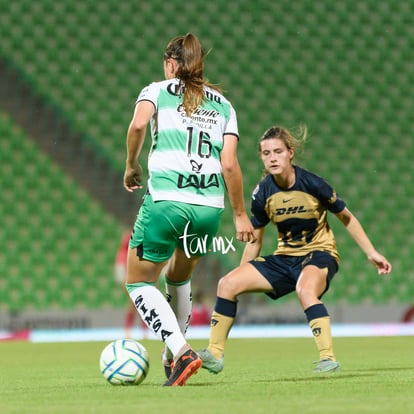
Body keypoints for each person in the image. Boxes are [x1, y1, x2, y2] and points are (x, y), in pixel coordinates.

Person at [198, 125, 392, 374]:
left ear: (290, 153)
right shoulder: (262, 193)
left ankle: (328, 358)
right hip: (285, 258)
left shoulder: (313, 184)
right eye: (266, 153)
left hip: (319, 254)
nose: (272, 158)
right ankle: (214, 354)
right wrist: (243, 274)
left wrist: (371, 252)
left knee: (305, 289)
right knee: (227, 284)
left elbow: (347, 217)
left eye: (278, 151)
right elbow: (255, 240)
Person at [123, 33, 255, 386]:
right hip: (209, 208)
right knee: (179, 276)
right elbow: (229, 163)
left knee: (138, 281)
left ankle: (180, 351)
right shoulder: (224, 106)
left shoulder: (157, 90)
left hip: (167, 200)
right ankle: (171, 357)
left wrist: (131, 164)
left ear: (170, 64)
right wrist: (240, 214)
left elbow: (137, 125)